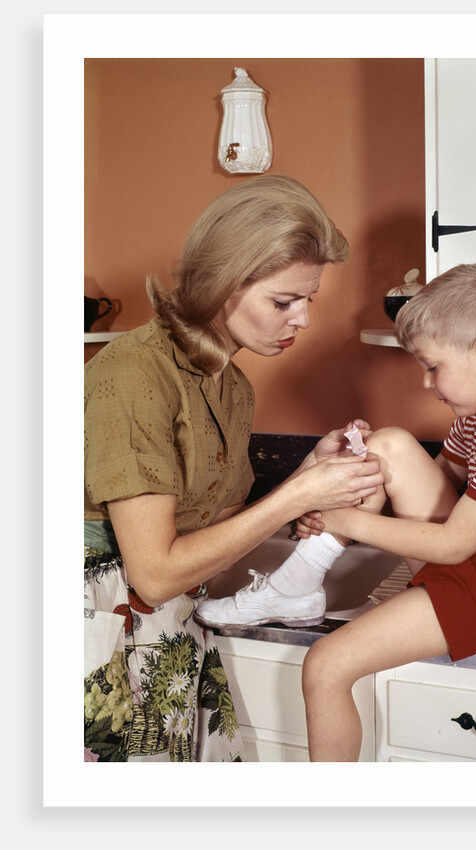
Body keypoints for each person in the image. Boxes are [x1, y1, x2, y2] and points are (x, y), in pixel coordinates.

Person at [195, 263, 476, 762]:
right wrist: (352, 483)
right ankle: (300, 580)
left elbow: (453, 544)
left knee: (326, 664)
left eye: (432, 366)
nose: (427, 384)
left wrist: (347, 521)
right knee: (388, 444)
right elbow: (441, 476)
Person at [83, 175, 384, 762]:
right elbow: (154, 573)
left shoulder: (232, 384)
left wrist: (304, 479)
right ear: (222, 283)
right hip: (98, 647)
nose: (302, 320)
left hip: (171, 638)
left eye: (308, 301)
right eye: (283, 301)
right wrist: (295, 498)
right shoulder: (131, 375)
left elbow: (208, 538)